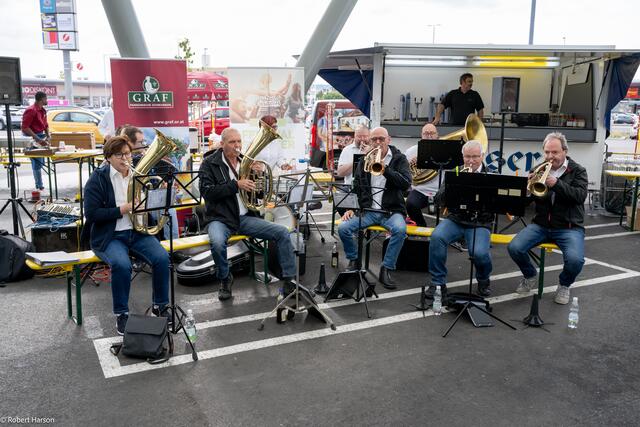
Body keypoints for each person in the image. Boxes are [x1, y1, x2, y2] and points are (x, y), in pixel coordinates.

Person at [83, 136, 170, 335]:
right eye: (119, 155)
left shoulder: (138, 175)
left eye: (128, 154)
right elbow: (92, 214)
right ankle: (122, 314)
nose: (125, 158)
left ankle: (160, 306)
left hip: (137, 232)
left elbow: (147, 205)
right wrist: (122, 209)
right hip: (110, 236)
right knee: (122, 265)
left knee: (162, 258)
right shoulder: (98, 179)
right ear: (108, 157)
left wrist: (159, 194)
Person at [199, 127, 297, 301]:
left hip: (244, 218)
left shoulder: (246, 162)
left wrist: (259, 176)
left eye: (239, 141)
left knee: (282, 232)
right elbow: (207, 192)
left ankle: (289, 280)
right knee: (218, 243)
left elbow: (258, 195)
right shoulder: (209, 163)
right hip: (220, 219)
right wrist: (236, 185)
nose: (237, 145)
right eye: (232, 142)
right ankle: (225, 279)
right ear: (222, 144)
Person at [508, 132, 587, 305]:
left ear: (565, 151)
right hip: (541, 225)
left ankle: (564, 284)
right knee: (515, 247)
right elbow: (526, 202)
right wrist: (526, 190)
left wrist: (556, 184)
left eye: (555, 152)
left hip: (569, 227)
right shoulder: (538, 169)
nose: (550, 156)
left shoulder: (578, 170)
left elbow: (579, 196)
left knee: (575, 260)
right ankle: (530, 275)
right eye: (547, 152)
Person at [338, 127, 411, 289]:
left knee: (400, 230)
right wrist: (352, 208)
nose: (378, 142)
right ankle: (354, 260)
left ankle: (386, 268)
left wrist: (385, 169)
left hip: (391, 211)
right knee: (343, 228)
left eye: (381, 139)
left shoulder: (399, 159)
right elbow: (357, 186)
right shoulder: (364, 160)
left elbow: (406, 184)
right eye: (374, 139)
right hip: (368, 211)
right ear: (370, 141)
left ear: (388, 140)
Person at [425, 140, 494, 301]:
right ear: (462, 157)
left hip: (479, 223)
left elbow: (497, 205)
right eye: (467, 157)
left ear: (482, 156)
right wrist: (452, 186)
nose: (471, 161)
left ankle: (483, 279)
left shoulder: (491, 174)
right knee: (437, 237)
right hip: (456, 220)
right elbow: (438, 200)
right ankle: (438, 282)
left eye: (475, 156)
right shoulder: (455, 172)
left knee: (479, 253)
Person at [404, 123, 440, 226]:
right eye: (426, 133)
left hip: (440, 190)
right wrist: (412, 164)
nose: (429, 136)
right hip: (421, 189)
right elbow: (405, 172)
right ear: (421, 135)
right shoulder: (411, 151)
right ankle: (421, 226)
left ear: (437, 135)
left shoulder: (444, 151)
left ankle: (445, 231)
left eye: (432, 133)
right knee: (410, 204)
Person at [21, 91, 49, 192]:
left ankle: (39, 185)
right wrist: (38, 139)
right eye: (46, 98)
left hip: (40, 135)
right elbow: (25, 128)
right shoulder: (31, 110)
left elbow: (45, 124)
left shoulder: (43, 110)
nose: (47, 100)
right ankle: (39, 186)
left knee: (41, 162)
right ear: (42, 99)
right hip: (31, 137)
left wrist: (48, 135)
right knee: (37, 163)